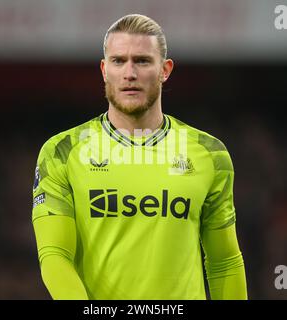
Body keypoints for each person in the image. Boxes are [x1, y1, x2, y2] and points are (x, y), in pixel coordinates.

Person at [32, 14, 247, 300]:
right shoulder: (62, 152)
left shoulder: (209, 154)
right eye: (119, 61)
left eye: (142, 61)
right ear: (104, 69)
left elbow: (224, 263)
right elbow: (54, 257)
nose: (129, 73)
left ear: (165, 70)